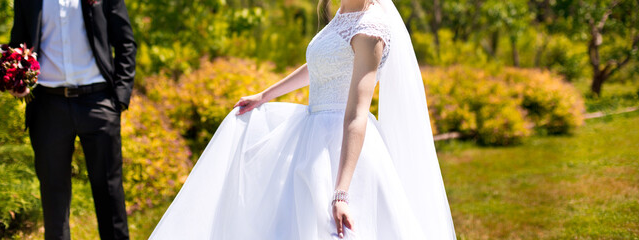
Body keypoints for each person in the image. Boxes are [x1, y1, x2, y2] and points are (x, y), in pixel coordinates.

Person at [150, 0, 455, 239]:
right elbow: (320, 63)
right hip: (311, 132)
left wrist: (341, 192)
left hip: (341, 145)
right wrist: (265, 95)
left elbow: (357, 112)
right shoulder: (344, 11)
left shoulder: (370, 28)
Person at [8, 0, 136, 239]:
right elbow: (19, 42)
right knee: (53, 196)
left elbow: (126, 43)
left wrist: (119, 97)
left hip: (98, 102)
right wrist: (17, 79)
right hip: (48, 106)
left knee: (109, 193)